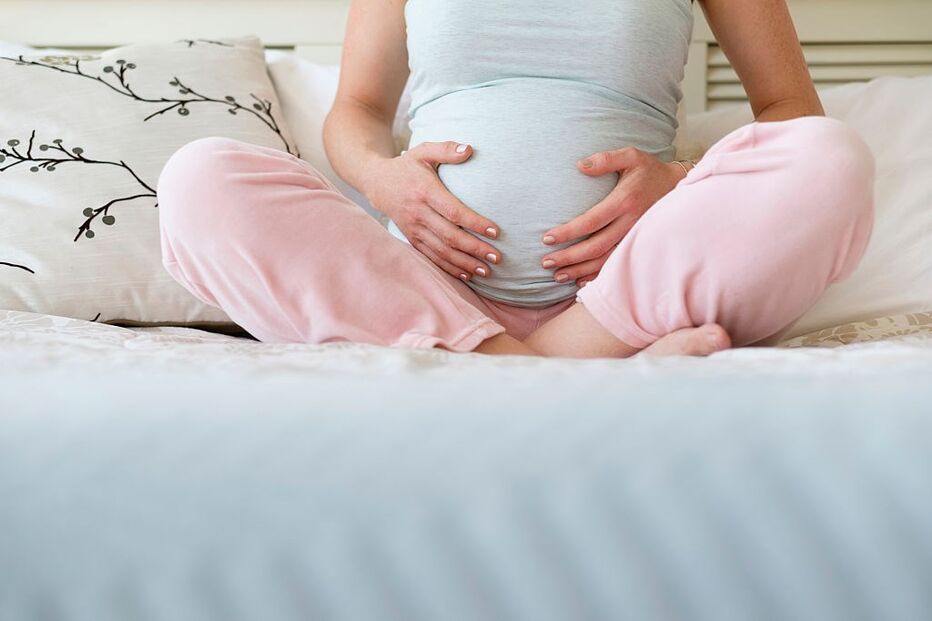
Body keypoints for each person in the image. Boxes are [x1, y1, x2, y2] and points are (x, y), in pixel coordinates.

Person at [157, 0, 875, 358]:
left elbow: (789, 111)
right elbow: (358, 110)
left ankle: (544, 357)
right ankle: (564, 368)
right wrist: (383, 180)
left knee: (830, 159)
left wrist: (679, 181)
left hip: (625, 287)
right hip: (425, 285)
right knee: (200, 180)